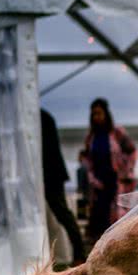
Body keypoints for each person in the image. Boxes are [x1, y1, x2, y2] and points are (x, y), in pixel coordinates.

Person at [83, 98, 137, 244]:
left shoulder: (116, 132)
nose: (97, 117)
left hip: (115, 179)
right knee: (99, 217)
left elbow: (132, 151)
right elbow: (87, 160)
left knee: (116, 216)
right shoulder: (90, 137)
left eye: (100, 113)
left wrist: (124, 170)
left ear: (106, 114)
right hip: (98, 183)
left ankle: (117, 246)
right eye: (94, 114)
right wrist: (92, 178)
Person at [41, 109, 85, 265]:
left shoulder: (41, 118)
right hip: (52, 173)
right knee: (63, 214)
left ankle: (80, 253)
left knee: (63, 214)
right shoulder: (44, 116)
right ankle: (79, 253)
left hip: (51, 174)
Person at [76, 149, 90, 220]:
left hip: (85, 193)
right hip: (89, 193)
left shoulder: (81, 168)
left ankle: (82, 218)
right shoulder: (90, 167)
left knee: (82, 212)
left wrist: (79, 189)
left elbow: (80, 183)